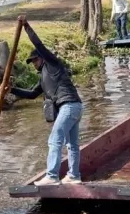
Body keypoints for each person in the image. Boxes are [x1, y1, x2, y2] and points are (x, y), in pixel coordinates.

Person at [9, 21, 84, 186]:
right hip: (75, 107)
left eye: (35, 60)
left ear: (42, 58)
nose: (34, 64)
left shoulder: (52, 64)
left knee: (54, 139)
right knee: (72, 144)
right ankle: (74, 175)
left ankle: (52, 176)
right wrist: (11, 89)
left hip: (69, 106)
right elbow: (31, 94)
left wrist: (26, 27)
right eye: (32, 62)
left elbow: (38, 44)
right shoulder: (43, 78)